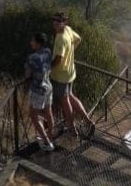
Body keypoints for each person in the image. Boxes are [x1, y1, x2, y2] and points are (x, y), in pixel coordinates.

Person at [51, 11, 95, 139]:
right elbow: (79, 39)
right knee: (70, 96)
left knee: (65, 102)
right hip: (70, 73)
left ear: (64, 22)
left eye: (58, 21)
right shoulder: (68, 30)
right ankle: (88, 122)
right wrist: (71, 52)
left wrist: (47, 68)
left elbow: (58, 59)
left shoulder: (60, 38)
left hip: (60, 76)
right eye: (53, 20)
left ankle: (72, 130)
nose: (55, 23)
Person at [25, 32, 55, 151]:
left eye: (33, 41)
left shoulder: (32, 58)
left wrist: (28, 69)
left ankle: (47, 143)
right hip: (48, 86)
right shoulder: (47, 51)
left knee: (33, 115)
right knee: (48, 112)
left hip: (38, 90)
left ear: (38, 43)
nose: (31, 42)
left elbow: (27, 75)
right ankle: (50, 136)